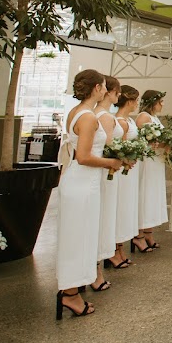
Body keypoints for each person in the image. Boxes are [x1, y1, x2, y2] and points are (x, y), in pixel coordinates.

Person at [56, 69, 123, 319]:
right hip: (82, 185)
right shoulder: (88, 118)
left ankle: (74, 287)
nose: (106, 91)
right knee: (77, 239)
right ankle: (70, 294)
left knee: (81, 237)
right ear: (96, 88)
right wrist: (111, 163)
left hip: (83, 183)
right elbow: (83, 157)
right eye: (104, 86)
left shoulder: (77, 113)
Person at [93, 75, 123, 288]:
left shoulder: (102, 114)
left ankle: (97, 269)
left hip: (107, 169)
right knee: (101, 220)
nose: (118, 95)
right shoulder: (103, 116)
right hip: (104, 171)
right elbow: (108, 148)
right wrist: (122, 158)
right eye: (116, 91)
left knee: (103, 219)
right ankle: (96, 272)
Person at [134, 90, 168, 252]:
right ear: (152, 102)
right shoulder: (143, 117)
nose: (162, 104)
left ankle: (148, 232)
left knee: (153, 196)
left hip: (156, 162)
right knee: (145, 195)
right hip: (147, 161)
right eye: (160, 101)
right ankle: (138, 235)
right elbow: (146, 141)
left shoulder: (154, 118)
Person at [113, 85, 141, 268]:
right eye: (136, 100)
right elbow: (118, 149)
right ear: (129, 101)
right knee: (120, 208)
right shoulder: (120, 122)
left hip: (131, 170)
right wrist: (126, 159)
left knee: (127, 208)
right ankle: (114, 251)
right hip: (122, 173)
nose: (137, 104)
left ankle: (120, 248)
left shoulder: (130, 120)